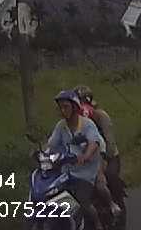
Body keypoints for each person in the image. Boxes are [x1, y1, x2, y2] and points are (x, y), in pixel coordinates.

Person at [45, 89, 105, 230]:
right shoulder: (61, 126)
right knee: (52, 197)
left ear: (75, 107)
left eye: (66, 107)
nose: (63, 110)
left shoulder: (87, 124)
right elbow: (52, 145)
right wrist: (42, 154)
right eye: (60, 107)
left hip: (85, 172)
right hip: (66, 172)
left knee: (82, 202)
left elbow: (94, 142)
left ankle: (98, 224)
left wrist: (86, 155)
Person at [75, 85, 125, 217]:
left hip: (108, 155)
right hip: (86, 156)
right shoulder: (74, 120)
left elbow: (109, 141)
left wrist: (104, 158)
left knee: (110, 176)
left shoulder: (101, 116)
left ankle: (116, 203)